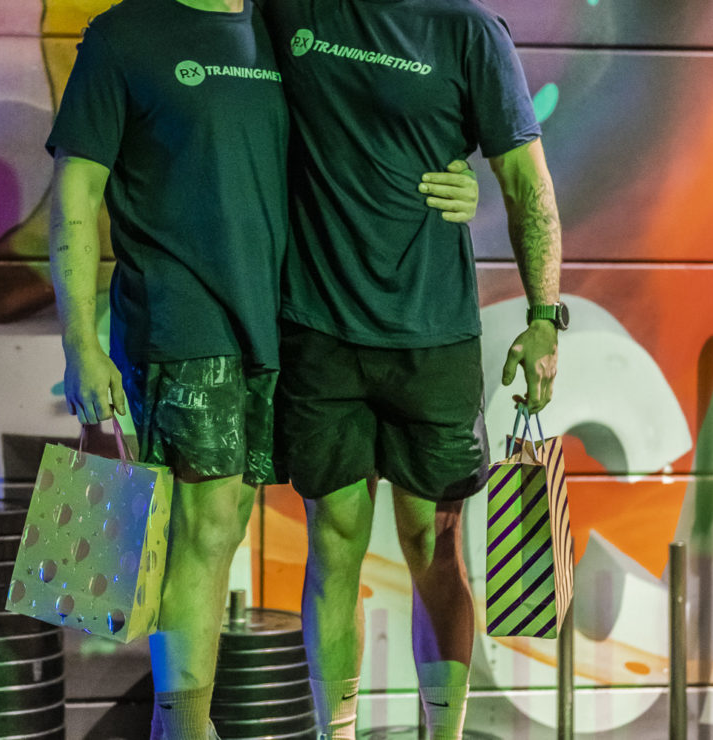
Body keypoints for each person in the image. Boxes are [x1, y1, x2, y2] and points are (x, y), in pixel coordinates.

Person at [46, 0, 480, 737]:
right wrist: (80, 343)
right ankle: (183, 728)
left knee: (227, 525)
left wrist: (460, 180)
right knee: (207, 525)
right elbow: (76, 193)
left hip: (279, 322)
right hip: (183, 316)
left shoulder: (280, 26)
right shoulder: (124, 34)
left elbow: (367, 131)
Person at [259, 1, 564, 738]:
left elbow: (527, 183)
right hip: (319, 330)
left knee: (433, 546)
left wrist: (543, 318)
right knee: (334, 544)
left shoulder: (467, 30)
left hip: (433, 337)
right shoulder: (287, 9)